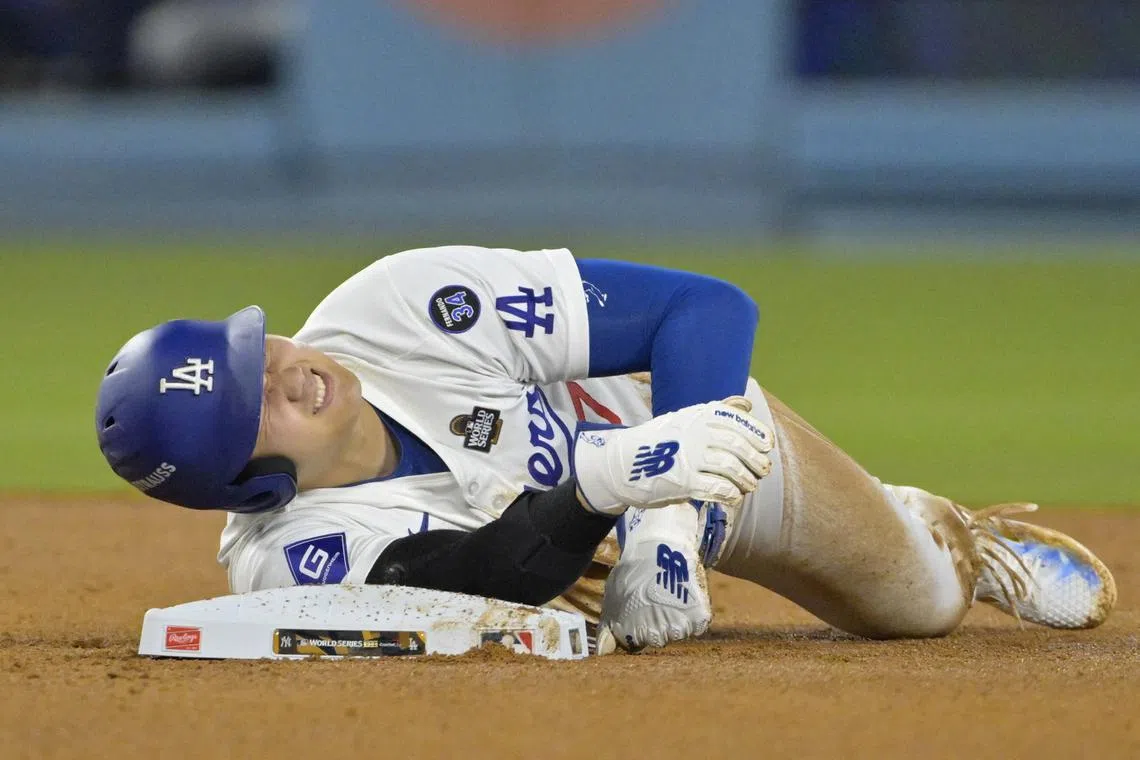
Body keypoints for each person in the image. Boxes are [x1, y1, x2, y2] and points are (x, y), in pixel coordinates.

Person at [95, 245, 1116, 652]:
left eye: (252, 349)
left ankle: (958, 542)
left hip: (678, 418)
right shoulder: (285, 559)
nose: (284, 369)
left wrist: (669, 515)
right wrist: (595, 492)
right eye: (251, 402)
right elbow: (466, 577)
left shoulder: (396, 305)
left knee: (918, 609)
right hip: (554, 535)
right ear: (247, 481)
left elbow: (705, 308)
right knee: (523, 592)